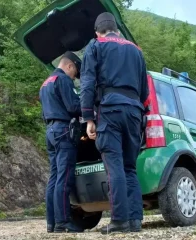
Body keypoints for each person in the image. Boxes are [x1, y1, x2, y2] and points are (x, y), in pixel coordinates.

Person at [79, 12, 149, 234]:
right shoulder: (136, 50)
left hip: (110, 111)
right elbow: (145, 90)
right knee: (130, 168)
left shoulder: (96, 46)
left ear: (97, 32)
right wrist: (141, 113)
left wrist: (88, 117)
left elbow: (88, 83)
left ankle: (119, 221)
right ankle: (135, 220)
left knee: (115, 167)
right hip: (134, 112)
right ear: (117, 31)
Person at [39, 51, 84, 233]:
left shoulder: (45, 83)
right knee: (64, 178)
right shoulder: (63, 80)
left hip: (50, 131)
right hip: (63, 131)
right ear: (69, 66)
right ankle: (63, 222)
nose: (74, 78)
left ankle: (52, 223)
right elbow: (73, 107)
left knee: (54, 177)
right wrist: (89, 107)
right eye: (75, 73)